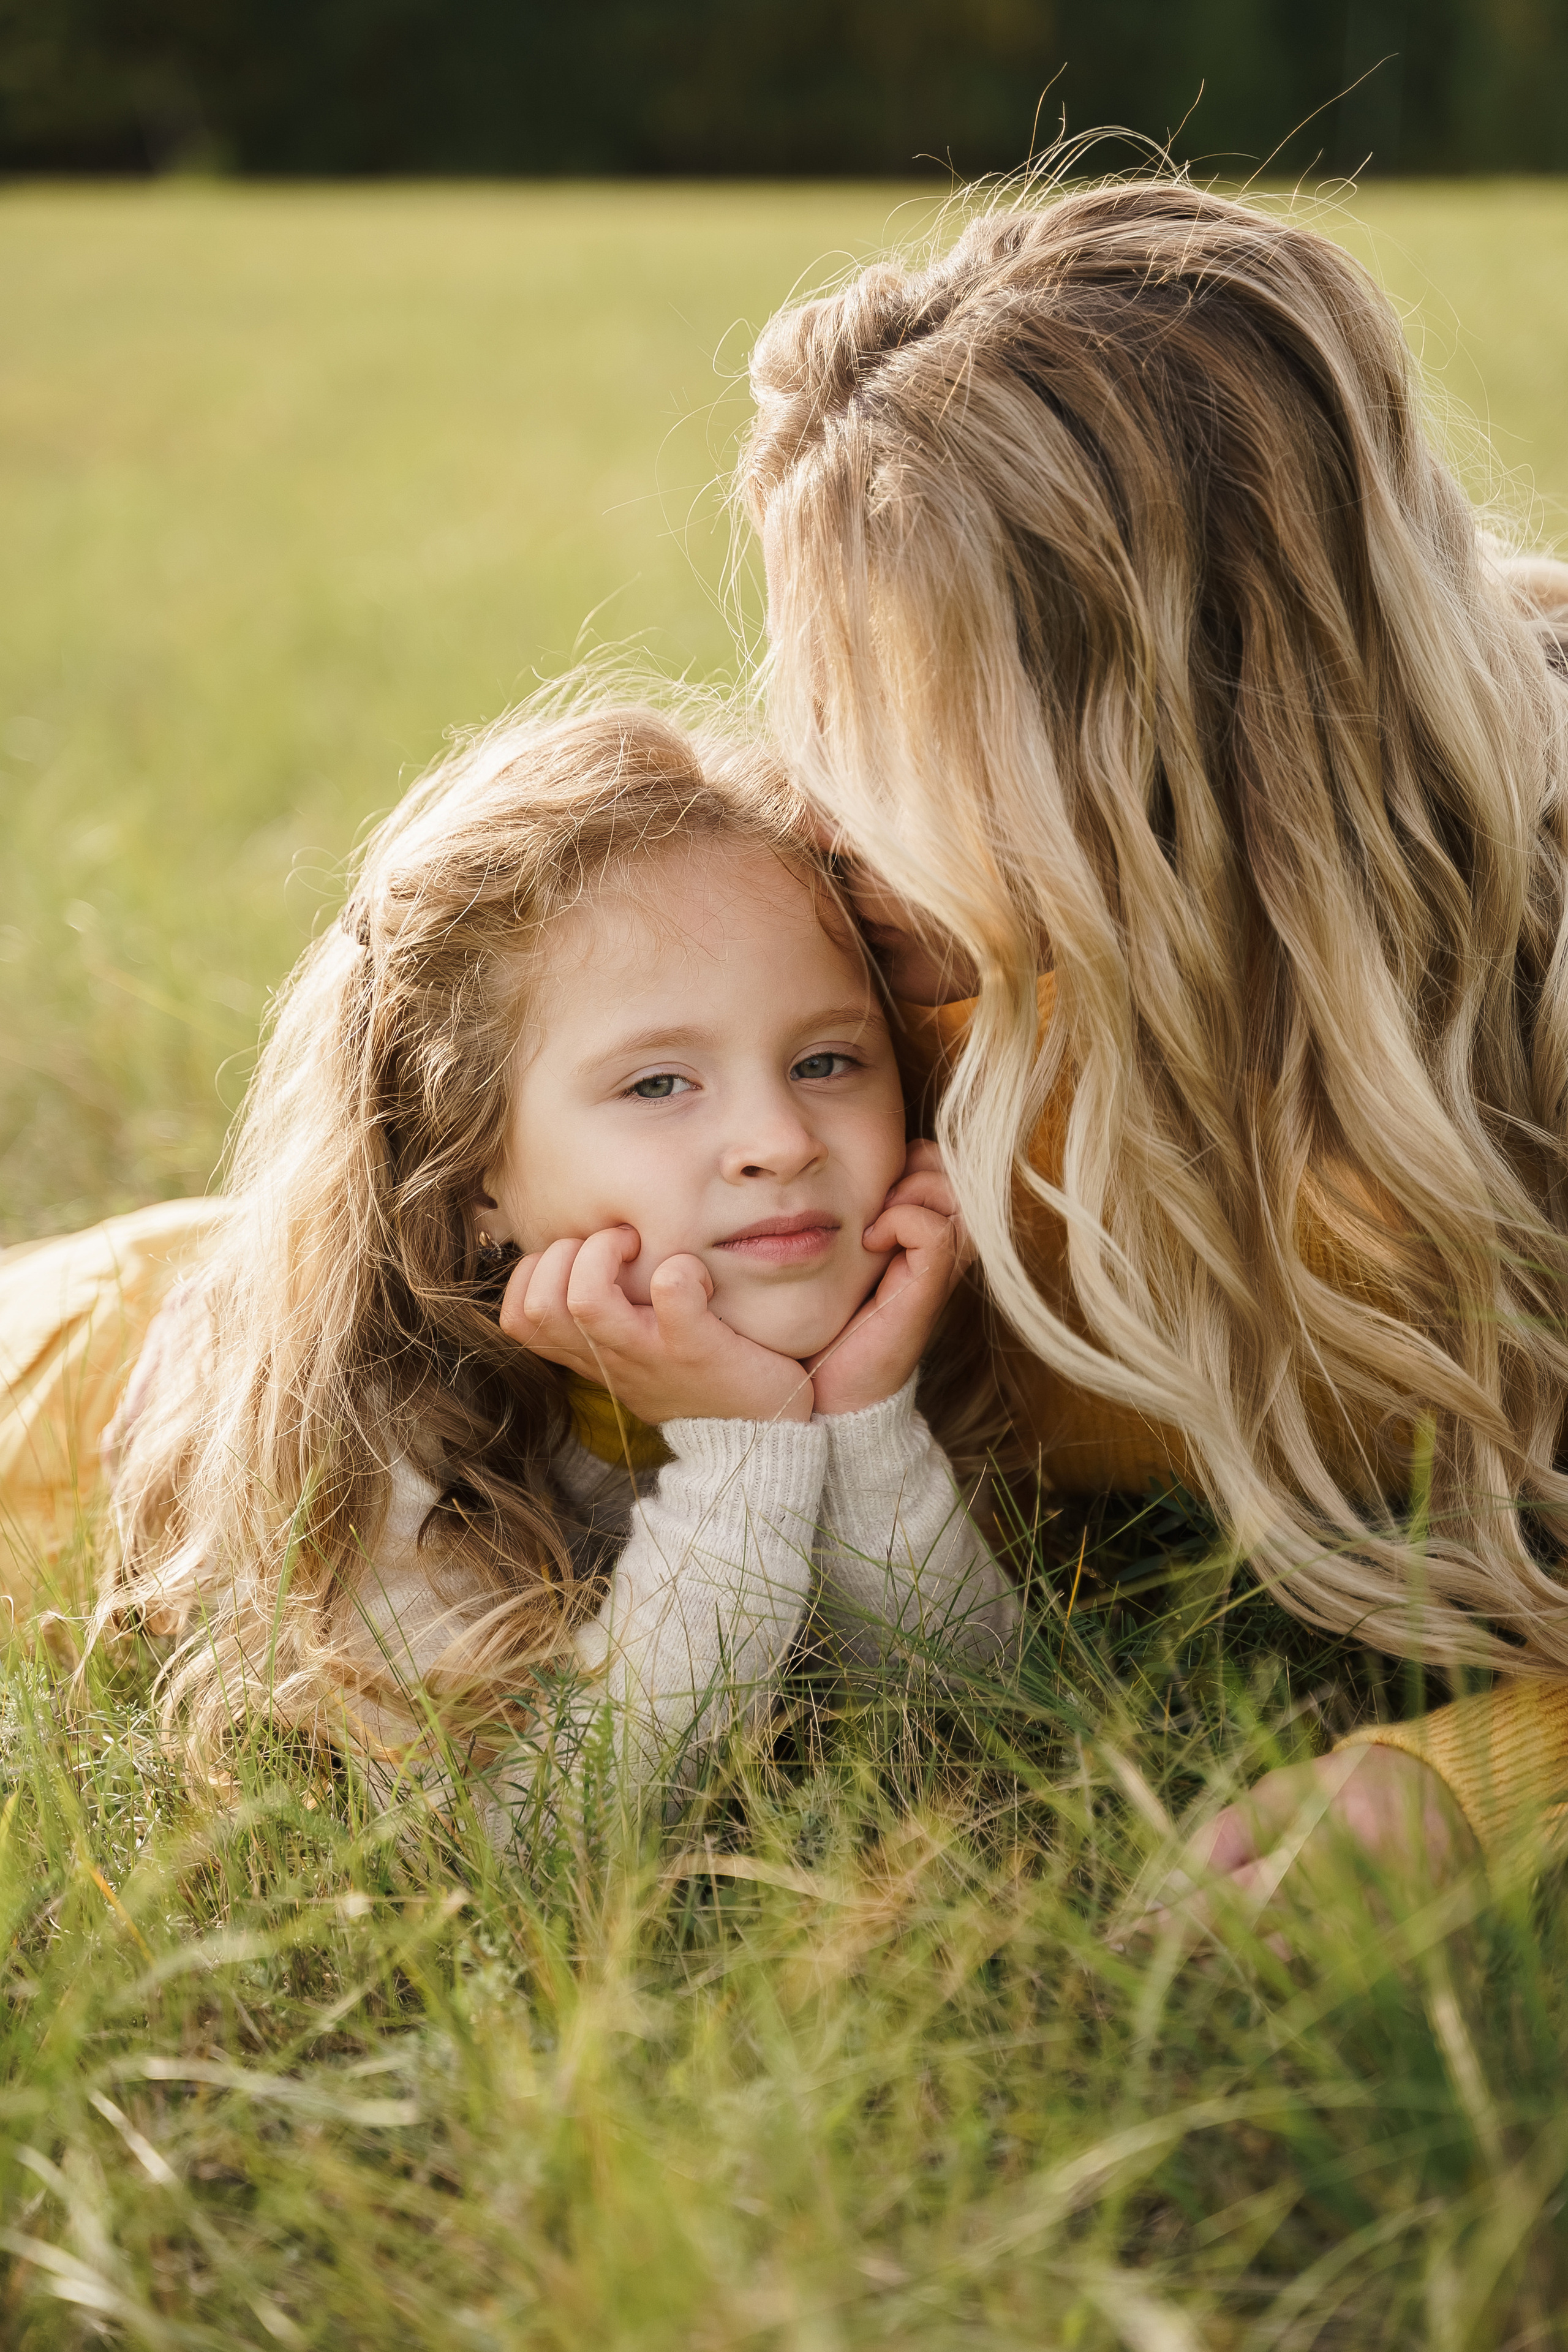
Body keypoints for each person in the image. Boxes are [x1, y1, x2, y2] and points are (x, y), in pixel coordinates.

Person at [737, 173, 1568, 1899]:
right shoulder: (875, 974)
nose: (815, 810)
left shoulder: (1518, 998)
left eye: (891, 729)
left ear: (1184, 738)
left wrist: (1482, 1778)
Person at [16, 704, 1014, 1849]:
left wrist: (865, 1415)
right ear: (472, 1163)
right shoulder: (369, 1412)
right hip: (64, 1383)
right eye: (657, 1086)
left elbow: (970, 1725)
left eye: (826, 1060)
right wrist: (748, 1458)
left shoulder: (869, 1298)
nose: (780, 1140)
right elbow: (513, 1841)